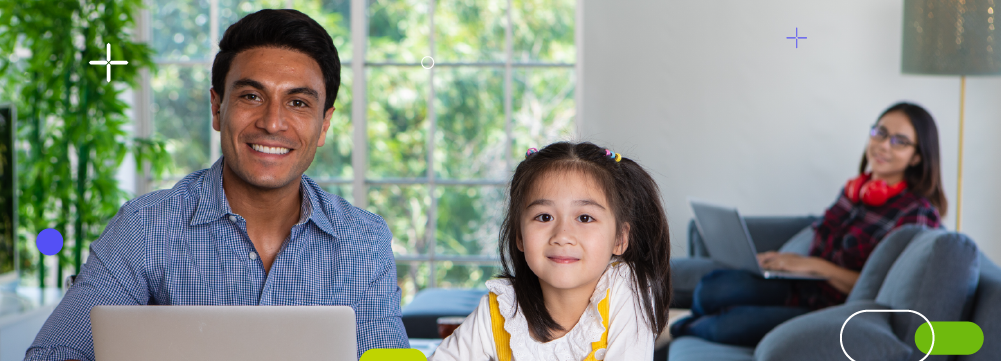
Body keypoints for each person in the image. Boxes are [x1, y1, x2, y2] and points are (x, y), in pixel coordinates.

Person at [25, 9, 408, 361]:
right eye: (251, 96)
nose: (273, 123)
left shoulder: (364, 241)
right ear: (216, 107)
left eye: (298, 103)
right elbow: (53, 355)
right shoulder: (144, 228)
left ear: (324, 124)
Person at [670, 102, 947, 346]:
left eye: (900, 141)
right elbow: (819, 233)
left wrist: (817, 267)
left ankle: (675, 330)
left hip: (831, 311)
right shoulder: (855, 191)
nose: (884, 145)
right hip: (801, 287)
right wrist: (789, 260)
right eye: (881, 133)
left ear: (917, 156)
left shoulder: (916, 215)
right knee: (711, 289)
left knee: (727, 325)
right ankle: (689, 321)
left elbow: (886, 288)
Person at [430, 141, 673, 360]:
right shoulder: (500, 309)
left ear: (620, 238)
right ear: (520, 237)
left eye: (585, 218)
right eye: (544, 217)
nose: (562, 236)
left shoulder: (626, 288)